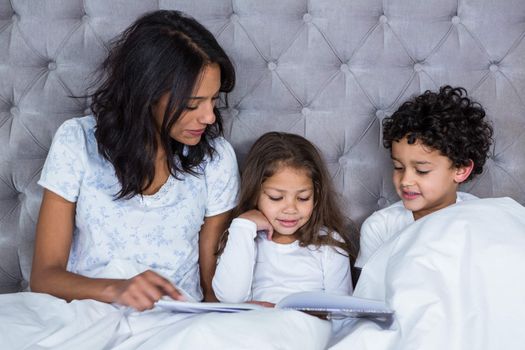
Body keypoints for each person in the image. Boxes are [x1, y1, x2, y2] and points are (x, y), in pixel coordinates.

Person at [29, 9, 239, 309]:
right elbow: (44, 277)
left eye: (214, 99)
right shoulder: (77, 141)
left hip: (178, 324)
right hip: (88, 314)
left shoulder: (215, 159)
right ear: (147, 94)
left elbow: (211, 290)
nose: (208, 116)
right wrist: (116, 290)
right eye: (193, 104)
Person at [355, 85, 493, 270]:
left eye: (421, 170)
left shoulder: (480, 219)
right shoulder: (381, 227)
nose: (405, 181)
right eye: (398, 167)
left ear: (460, 170)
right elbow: (366, 293)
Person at [212, 132, 358, 304]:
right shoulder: (243, 236)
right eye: (276, 197)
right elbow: (230, 298)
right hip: (254, 326)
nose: (291, 209)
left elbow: (341, 311)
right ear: (255, 194)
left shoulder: (329, 244)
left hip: (307, 328)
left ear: (316, 196)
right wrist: (243, 225)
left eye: (303, 198)